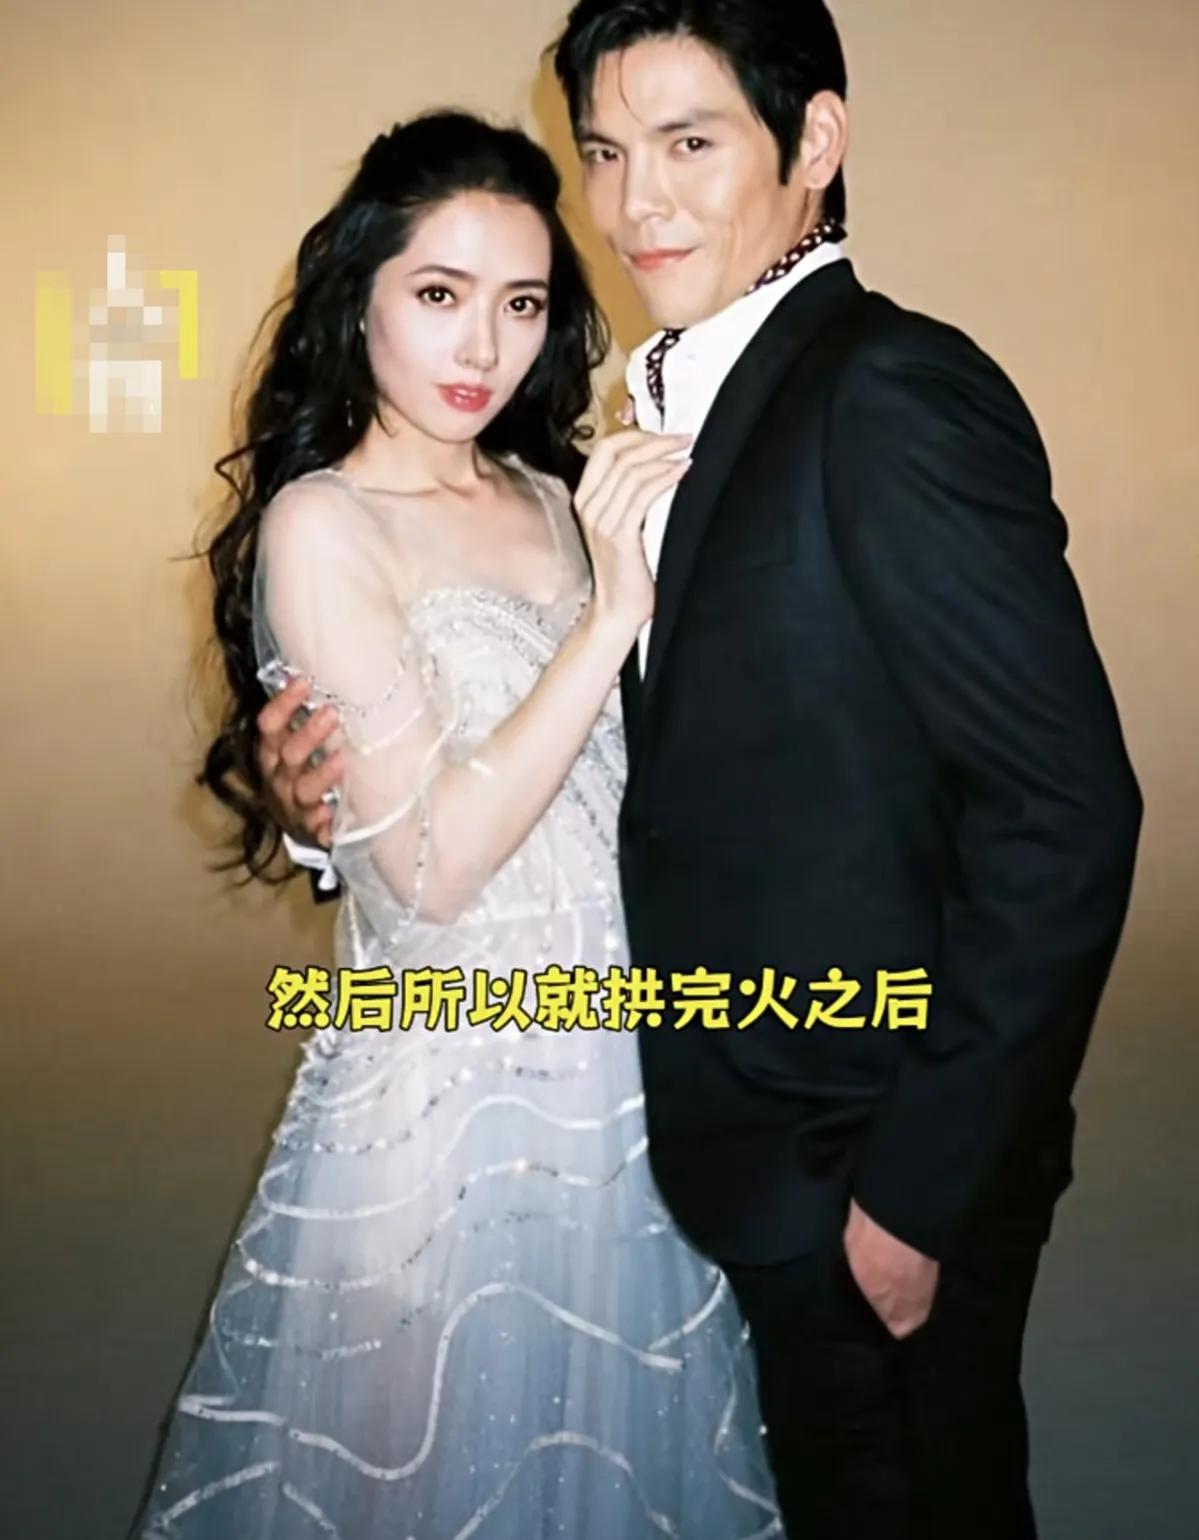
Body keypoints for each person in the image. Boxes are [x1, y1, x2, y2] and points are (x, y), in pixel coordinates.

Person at [267, 4, 1143, 1537]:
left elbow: (1064, 812)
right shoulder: (647, 427)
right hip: (682, 1117)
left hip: (866, 1153)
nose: (637, 203)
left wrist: (917, 1191)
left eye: (689, 143)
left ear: (816, 142)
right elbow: (647, 757)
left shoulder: (885, 391)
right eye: (606, 153)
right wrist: (328, 806)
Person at [129, 110, 781, 1540]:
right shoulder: (323, 524)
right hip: (451, 1085)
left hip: (627, 1073)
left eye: (522, 303)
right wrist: (609, 619)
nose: (483, 345)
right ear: (357, 298)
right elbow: (426, 872)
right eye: (439, 293)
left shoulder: (558, 497)